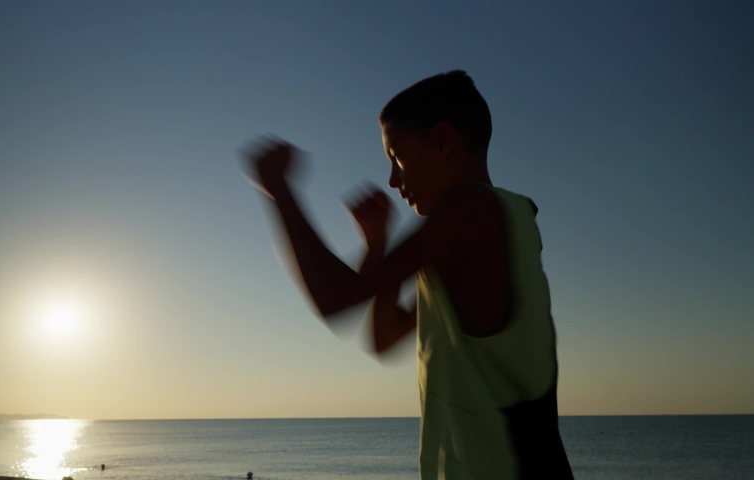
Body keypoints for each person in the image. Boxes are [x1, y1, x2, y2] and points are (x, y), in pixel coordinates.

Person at [243, 70, 573, 479]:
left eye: (396, 157)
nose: (393, 181)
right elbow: (384, 338)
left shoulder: (471, 210)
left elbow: (336, 299)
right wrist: (377, 244)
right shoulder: (487, 233)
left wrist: (280, 189)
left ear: (442, 141)